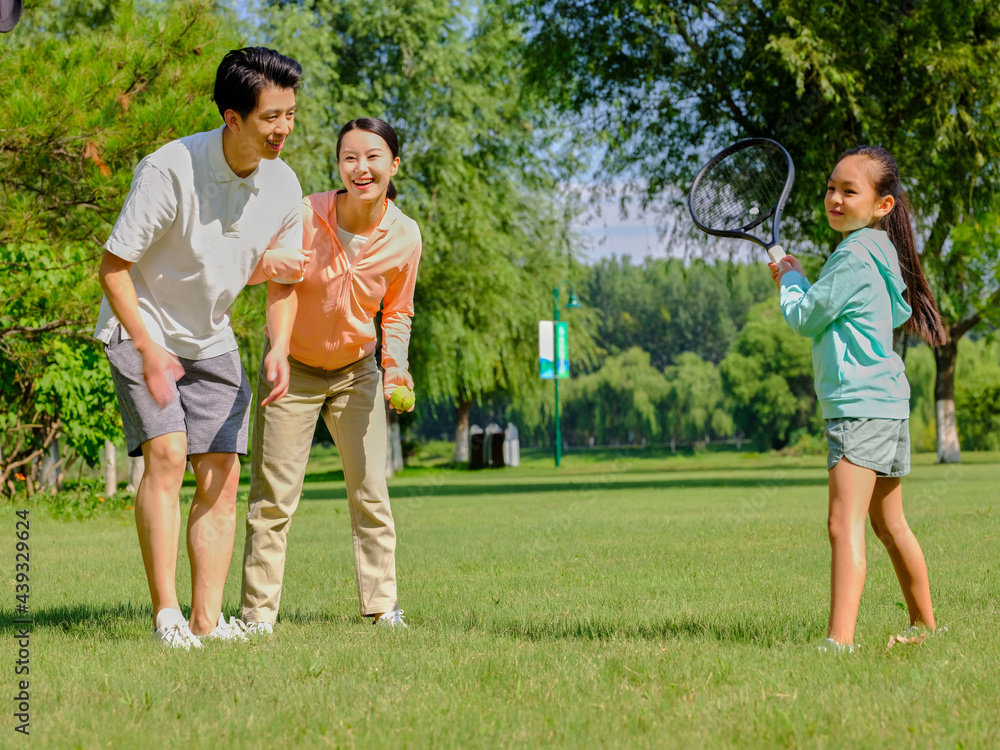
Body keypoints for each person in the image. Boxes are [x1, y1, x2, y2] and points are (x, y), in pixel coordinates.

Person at [96, 47, 311, 649]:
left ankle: (207, 622)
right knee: (165, 457)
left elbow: (285, 277)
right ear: (232, 117)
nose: (284, 129)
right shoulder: (170, 170)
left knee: (220, 470)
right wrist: (148, 347)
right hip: (142, 324)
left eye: (291, 114)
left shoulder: (284, 184)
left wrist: (279, 346)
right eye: (271, 117)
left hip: (210, 337)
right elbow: (113, 269)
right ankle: (168, 616)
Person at [240, 117, 421, 634]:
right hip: (291, 369)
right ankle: (256, 617)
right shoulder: (305, 214)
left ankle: (383, 608)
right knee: (273, 498)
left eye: (372, 157)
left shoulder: (405, 235)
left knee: (371, 494)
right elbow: (263, 275)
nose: (360, 168)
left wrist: (395, 370)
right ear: (338, 164)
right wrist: (275, 341)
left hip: (356, 372)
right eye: (349, 158)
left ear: (393, 165)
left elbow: (398, 312)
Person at [771, 145, 948, 653]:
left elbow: (806, 317)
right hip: (888, 405)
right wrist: (801, 279)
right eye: (831, 187)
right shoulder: (881, 253)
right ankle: (925, 626)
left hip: (858, 407)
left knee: (840, 523)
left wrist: (790, 281)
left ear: (882, 206)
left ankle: (839, 642)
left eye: (850, 191)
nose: (835, 198)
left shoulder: (851, 256)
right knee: (889, 523)